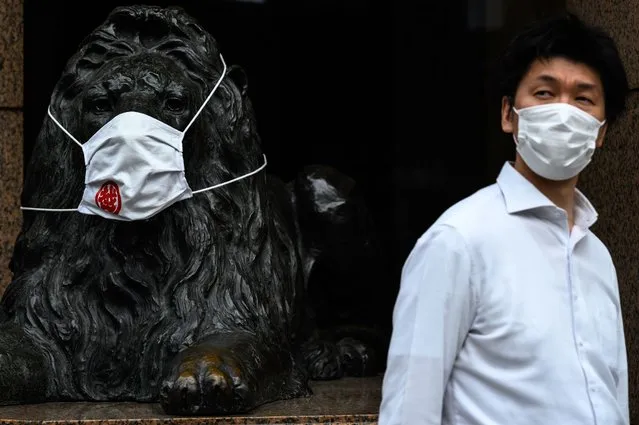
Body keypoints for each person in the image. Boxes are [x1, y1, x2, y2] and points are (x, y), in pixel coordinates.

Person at [379, 13, 630, 425]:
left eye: (583, 99)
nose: (564, 112)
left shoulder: (597, 257)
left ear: (600, 131)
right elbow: (409, 410)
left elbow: (613, 397)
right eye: (545, 93)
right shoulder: (458, 241)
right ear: (508, 115)